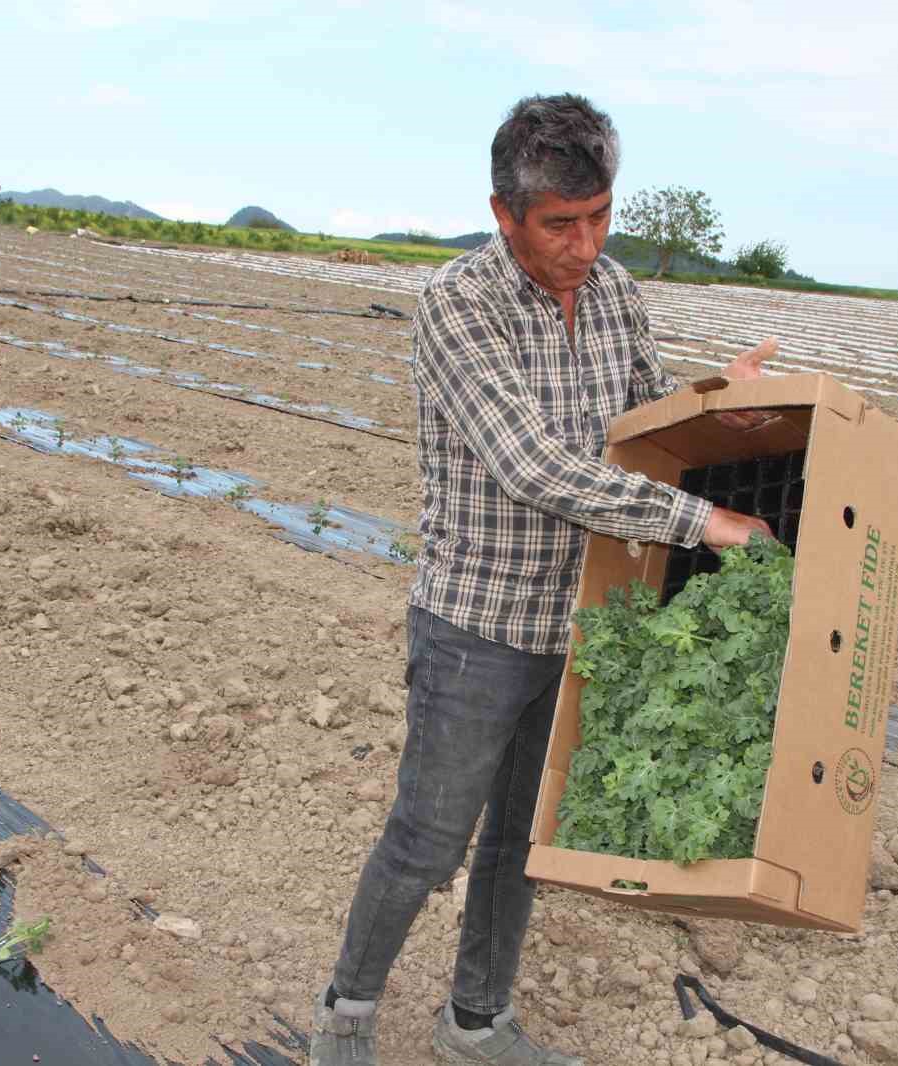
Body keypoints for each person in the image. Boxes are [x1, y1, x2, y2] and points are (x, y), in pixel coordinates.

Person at [310, 93, 777, 1066]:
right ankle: (347, 1010)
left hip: (581, 619)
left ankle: (474, 1020)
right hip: (476, 624)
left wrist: (713, 407)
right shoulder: (459, 306)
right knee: (429, 839)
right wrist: (701, 522)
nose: (584, 244)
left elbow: (640, 421)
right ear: (504, 213)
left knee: (521, 843)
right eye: (561, 224)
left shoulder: (613, 292)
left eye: (600, 217)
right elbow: (531, 466)